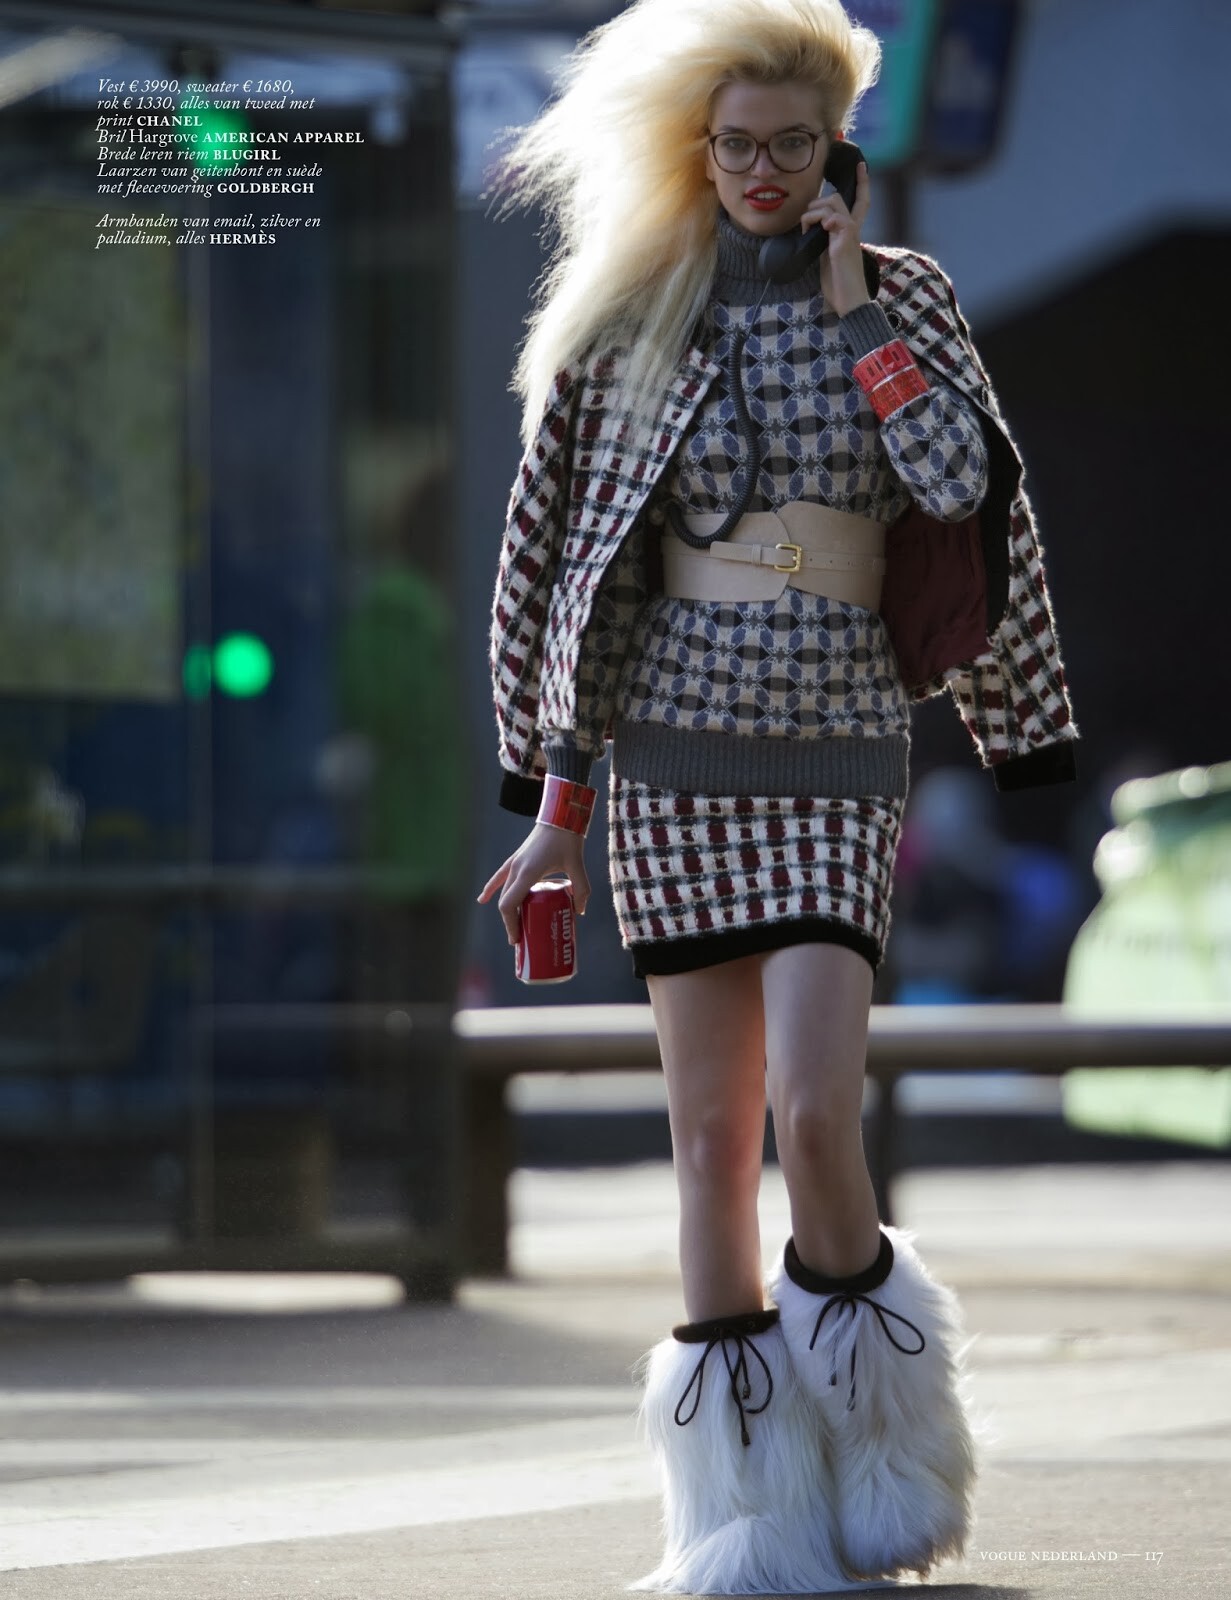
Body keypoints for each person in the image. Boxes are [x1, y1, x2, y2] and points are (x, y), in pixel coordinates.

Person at [478, 1, 1078, 1592]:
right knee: (704, 1143)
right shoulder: (634, 316)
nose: (760, 170)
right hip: (671, 760)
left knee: (814, 1116)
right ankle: (747, 1525)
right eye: (735, 144)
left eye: (790, 145)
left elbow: (960, 485)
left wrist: (857, 315)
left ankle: (892, 1444)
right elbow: (564, 571)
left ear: (834, 151)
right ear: (699, 147)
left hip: (839, 755)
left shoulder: (905, 295)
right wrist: (556, 807)